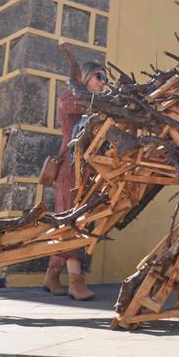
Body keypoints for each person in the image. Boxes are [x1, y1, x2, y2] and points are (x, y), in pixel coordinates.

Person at [43, 61, 107, 301]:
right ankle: (75, 282)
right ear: (86, 76)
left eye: (105, 78)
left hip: (86, 169)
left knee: (75, 222)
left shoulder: (93, 102)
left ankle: (52, 275)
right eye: (99, 76)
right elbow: (77, 106)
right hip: (69, 167)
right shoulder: (71, 96)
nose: (103, 82)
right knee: (72, 221)